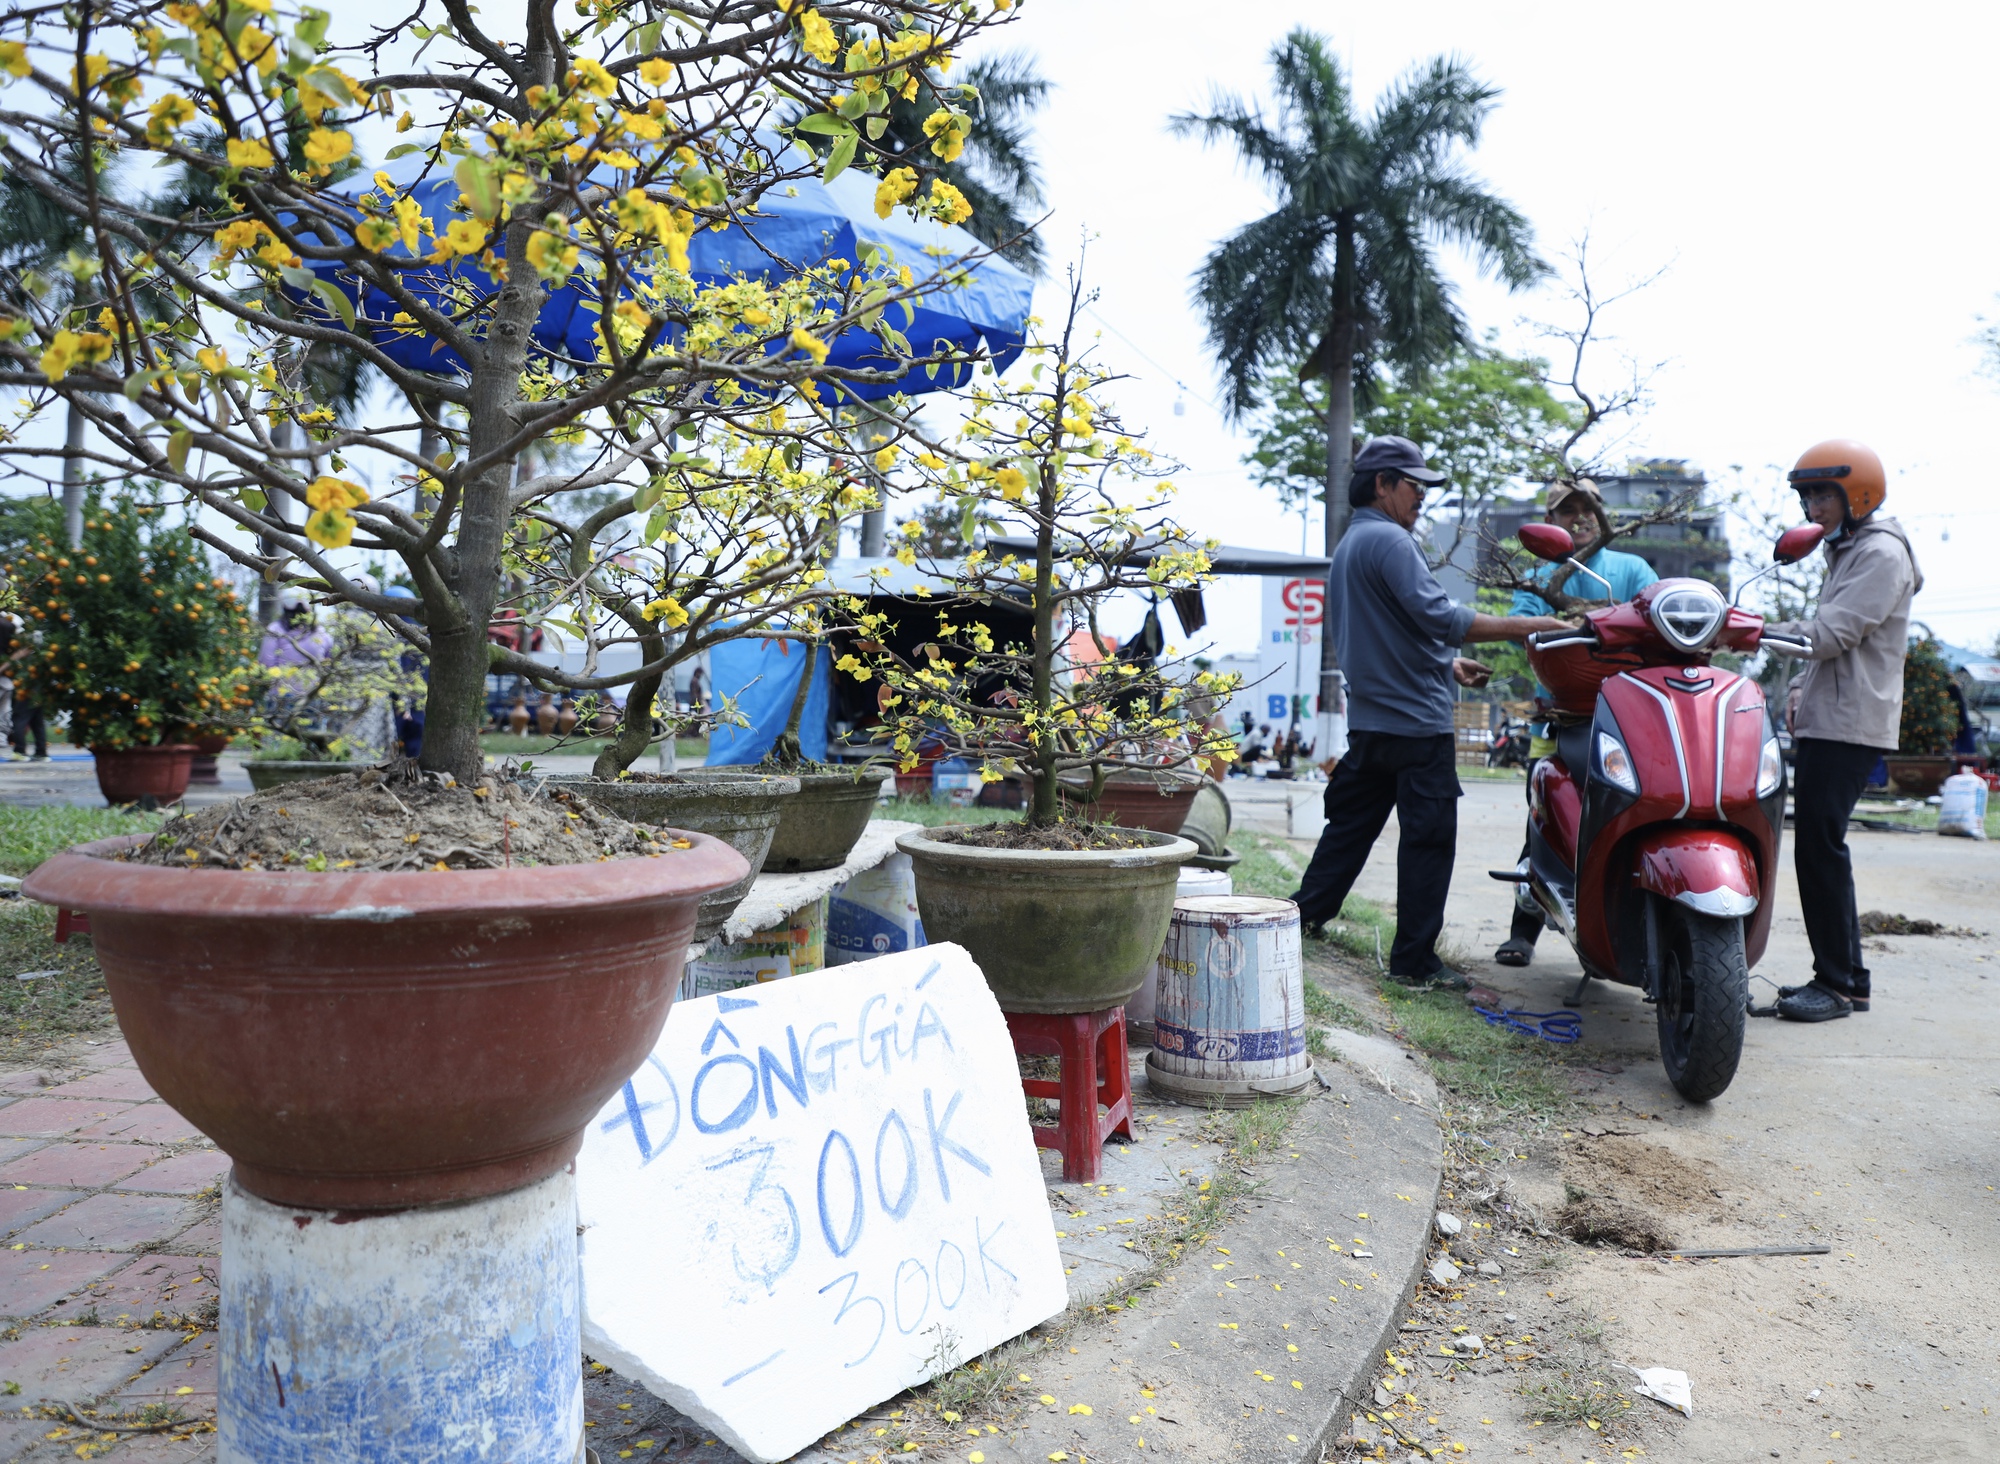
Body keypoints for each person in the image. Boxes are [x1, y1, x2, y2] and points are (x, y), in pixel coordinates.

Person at [1289, 436, 1569, 985]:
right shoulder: (1391, 541)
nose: (1422, 496)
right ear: (1382, 484)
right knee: (1429, 841)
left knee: (1350, 827)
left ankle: (1303, 915)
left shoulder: (1353, 544)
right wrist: (1530, 626)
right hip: (1417, 724)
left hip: (1372, 721)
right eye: (1414, 485)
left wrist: (1447, 664)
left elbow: (1390, 632)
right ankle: (1414, 963)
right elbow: (1439, 617)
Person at [1760, 439, 1921, 1022]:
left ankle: (1835, 984)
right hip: (1831, 716)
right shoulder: (1848, 550)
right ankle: (1850, 980)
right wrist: (1799, 690)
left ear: (1859, 495)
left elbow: (1831, 634)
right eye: (1806, 497)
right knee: (1819, 847)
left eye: (1823, 495)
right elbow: (1829, 646)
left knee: (1819, 849)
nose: (1812, 509)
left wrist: (1750, 629)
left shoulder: (1880, 553)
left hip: (1851, 722)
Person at [1493, 480, 1659, 966]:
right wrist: (1570, 625)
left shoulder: (1633, 569)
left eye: (1589, 509)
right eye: (1568, 511)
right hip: (1558, 722)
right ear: (1552, 523)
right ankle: (1523, 931)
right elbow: (1521, 630)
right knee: (1544, 819)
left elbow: (1657, 619)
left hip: (1630, 723)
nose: (1581, 518)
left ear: (1604, 518)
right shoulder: (1540, 575)